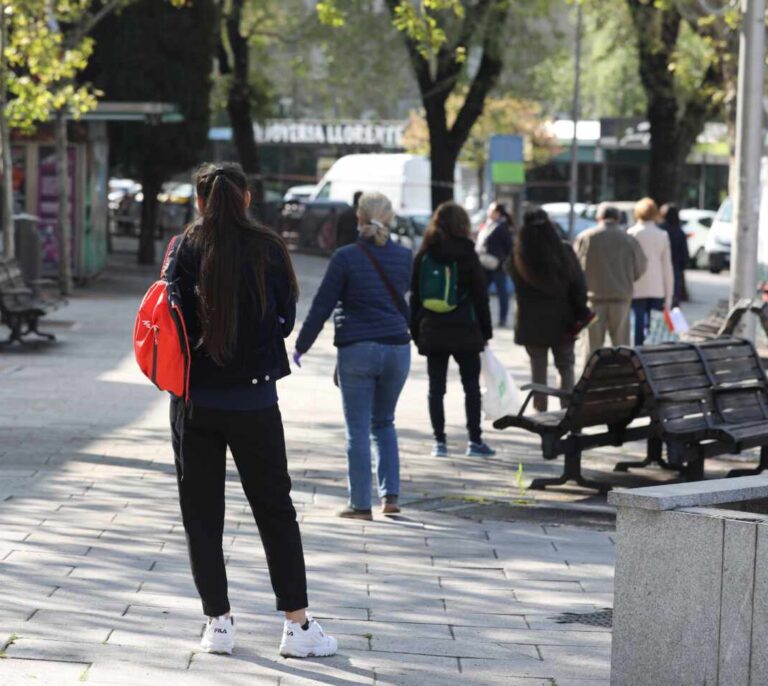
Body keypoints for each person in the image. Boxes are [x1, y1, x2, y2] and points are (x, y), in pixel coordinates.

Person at [171, 163, 337, 658]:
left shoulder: (186, 247)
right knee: (274, 510)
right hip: (255, 400)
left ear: (201, 201)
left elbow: (170, 316)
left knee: (201, 514)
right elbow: (284, 320)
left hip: (194, 400)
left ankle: (217, 624)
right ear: (245, 198)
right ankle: (297, 626)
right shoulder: (268, 247)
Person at [294, 192, 411, 521]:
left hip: (357, 350)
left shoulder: (345, 257)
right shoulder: (404, 256)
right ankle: (391, 497)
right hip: (397, 349)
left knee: (357, 429)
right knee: (385, 422)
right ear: (389, 219)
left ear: (359, 219)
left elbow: (322, 305)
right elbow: (404, 302)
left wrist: (302, 345)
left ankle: (361, 504)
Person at [410, 201, 495, 458]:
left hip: (433, 328)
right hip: (466, 329)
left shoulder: (425, 254)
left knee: (436, 387)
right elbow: (481, 296)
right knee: (471, 386)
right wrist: (486, 331)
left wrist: (416, 330)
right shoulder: (469, 254)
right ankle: (474, 441)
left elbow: (415, 295)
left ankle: (440, 442)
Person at [510, 208, 589, 412]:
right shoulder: (564, 251)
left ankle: (540, 413)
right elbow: (579, 286)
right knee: (565, 367)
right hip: (564, 322)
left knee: (538, 368)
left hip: (531, 322)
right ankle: (568, 412)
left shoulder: (518, 256)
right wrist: (581, 313)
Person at [574, 203, 647, 354]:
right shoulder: (629, 239)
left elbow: (574, 268)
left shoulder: (586, 237)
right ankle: (622, 376)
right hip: (620, 300)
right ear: (618, 218)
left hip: (593, 300)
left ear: (598, 217)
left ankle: (591, 377)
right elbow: (640, 268)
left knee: (591, 348)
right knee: (622, 348)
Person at [628, 197, 675, 345]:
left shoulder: (631, 234)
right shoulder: (662, 235)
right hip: (657, 287)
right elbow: (667, 267)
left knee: (638, 325)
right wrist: (669, 296)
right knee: (654, 328)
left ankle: (637, 355)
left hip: (636, 286)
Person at [476, 201, 514, 327]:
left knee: (502, 292)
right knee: (481, 291)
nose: (489, 212)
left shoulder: (502, 227)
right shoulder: (487, 225)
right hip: (484, 263)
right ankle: (480, 316)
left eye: (491, 210)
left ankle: (502, 318)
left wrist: (503, 260)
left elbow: (509, 247)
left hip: (497, 265)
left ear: (498, 213)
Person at [659, 203, 689, 307]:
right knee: (673, 302)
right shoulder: (680, 232)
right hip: (675, 270)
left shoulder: (660, 230)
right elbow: (685, 255)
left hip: (660, 270)